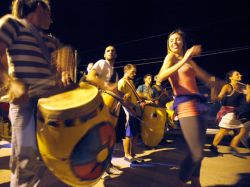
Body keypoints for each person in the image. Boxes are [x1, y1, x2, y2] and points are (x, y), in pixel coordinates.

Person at [0, 1, 72, 186]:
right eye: (50, 12)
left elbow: (61, 67)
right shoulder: (12, 24)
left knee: (51, 159)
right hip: (25, 105)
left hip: (48, 108)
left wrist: (64, 73)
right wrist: (10, 82)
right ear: (40, 8)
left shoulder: (50, 40)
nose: (52, 18)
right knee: (25, 163)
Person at [157, 29, 214, 187]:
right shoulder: (171, 57)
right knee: (196, 153)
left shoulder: (189, 60)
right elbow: (160, 76)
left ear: (183, 42)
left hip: (199, 103)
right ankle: (180, 182)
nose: (174, 42)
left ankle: (196, 182)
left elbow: (206, 78)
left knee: (200, 150)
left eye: (177, 39)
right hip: (185, 103)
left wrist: (216, 83)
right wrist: (185, 58)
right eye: (171, 40)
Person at [86, 45, 122, 176]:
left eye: (113, 51)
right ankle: (94, 166)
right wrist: (105, 85)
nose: (110, 52)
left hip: (112, 107)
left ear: (116, 55)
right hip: (100, 103)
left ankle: (107, 164)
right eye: (108, 50)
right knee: (97, 136)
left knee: (108, 137)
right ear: (104, 54)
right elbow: (90, 77)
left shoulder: (116, 74)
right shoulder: (102, 63)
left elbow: (115, 91)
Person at [209, 70, 249, 157]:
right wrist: (213, 89)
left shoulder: (242, 87)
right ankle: (215, 147)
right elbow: (220, 97)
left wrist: (249, 90)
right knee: (224, 131)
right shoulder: (227, 86)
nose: (240, 75)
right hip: (228, 113)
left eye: (240, 74)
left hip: (234, 113)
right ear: (231, 77)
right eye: (237, 74)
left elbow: (247, 100)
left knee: (241, 130)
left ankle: (230, 147)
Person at [118, 64, 141, 163]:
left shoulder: (130, 82)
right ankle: (127, 155)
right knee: (128, 133)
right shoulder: (122, 82)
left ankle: (133, 155)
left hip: (134, 109)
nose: (134, 74)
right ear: (126, 71)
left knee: (135, 133)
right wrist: (131, 110)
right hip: (127, 110)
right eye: (133, 72)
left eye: (135, 72)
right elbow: (121, 99)